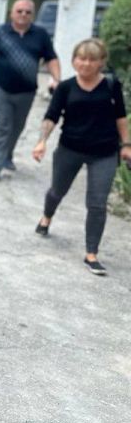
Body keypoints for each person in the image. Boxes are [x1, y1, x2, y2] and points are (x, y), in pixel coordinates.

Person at [33, 38, 130, 276]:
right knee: (57, 191)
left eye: (92, 59)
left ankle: (91, 253)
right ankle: (47, 217)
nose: (86, 63)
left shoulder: (111, 85)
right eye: (81, 58)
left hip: (104, 152)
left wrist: (126, 144)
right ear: (74, 60)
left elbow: (120, 116)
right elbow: (52, 116)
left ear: (101, 62)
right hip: (70, 149)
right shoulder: (65, 87)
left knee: (97, 203)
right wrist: (42, 140)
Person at [0, 0, 60, 180]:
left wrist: (56, 79)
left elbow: (51, 58)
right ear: (11, 13)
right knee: (2, 125)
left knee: (17, 126)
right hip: (1, 88)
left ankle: (7, 156)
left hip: (27, 91)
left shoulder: (41, 35)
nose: (23, 14)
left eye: (28, 12)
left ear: (32, 15)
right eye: (19, 11)